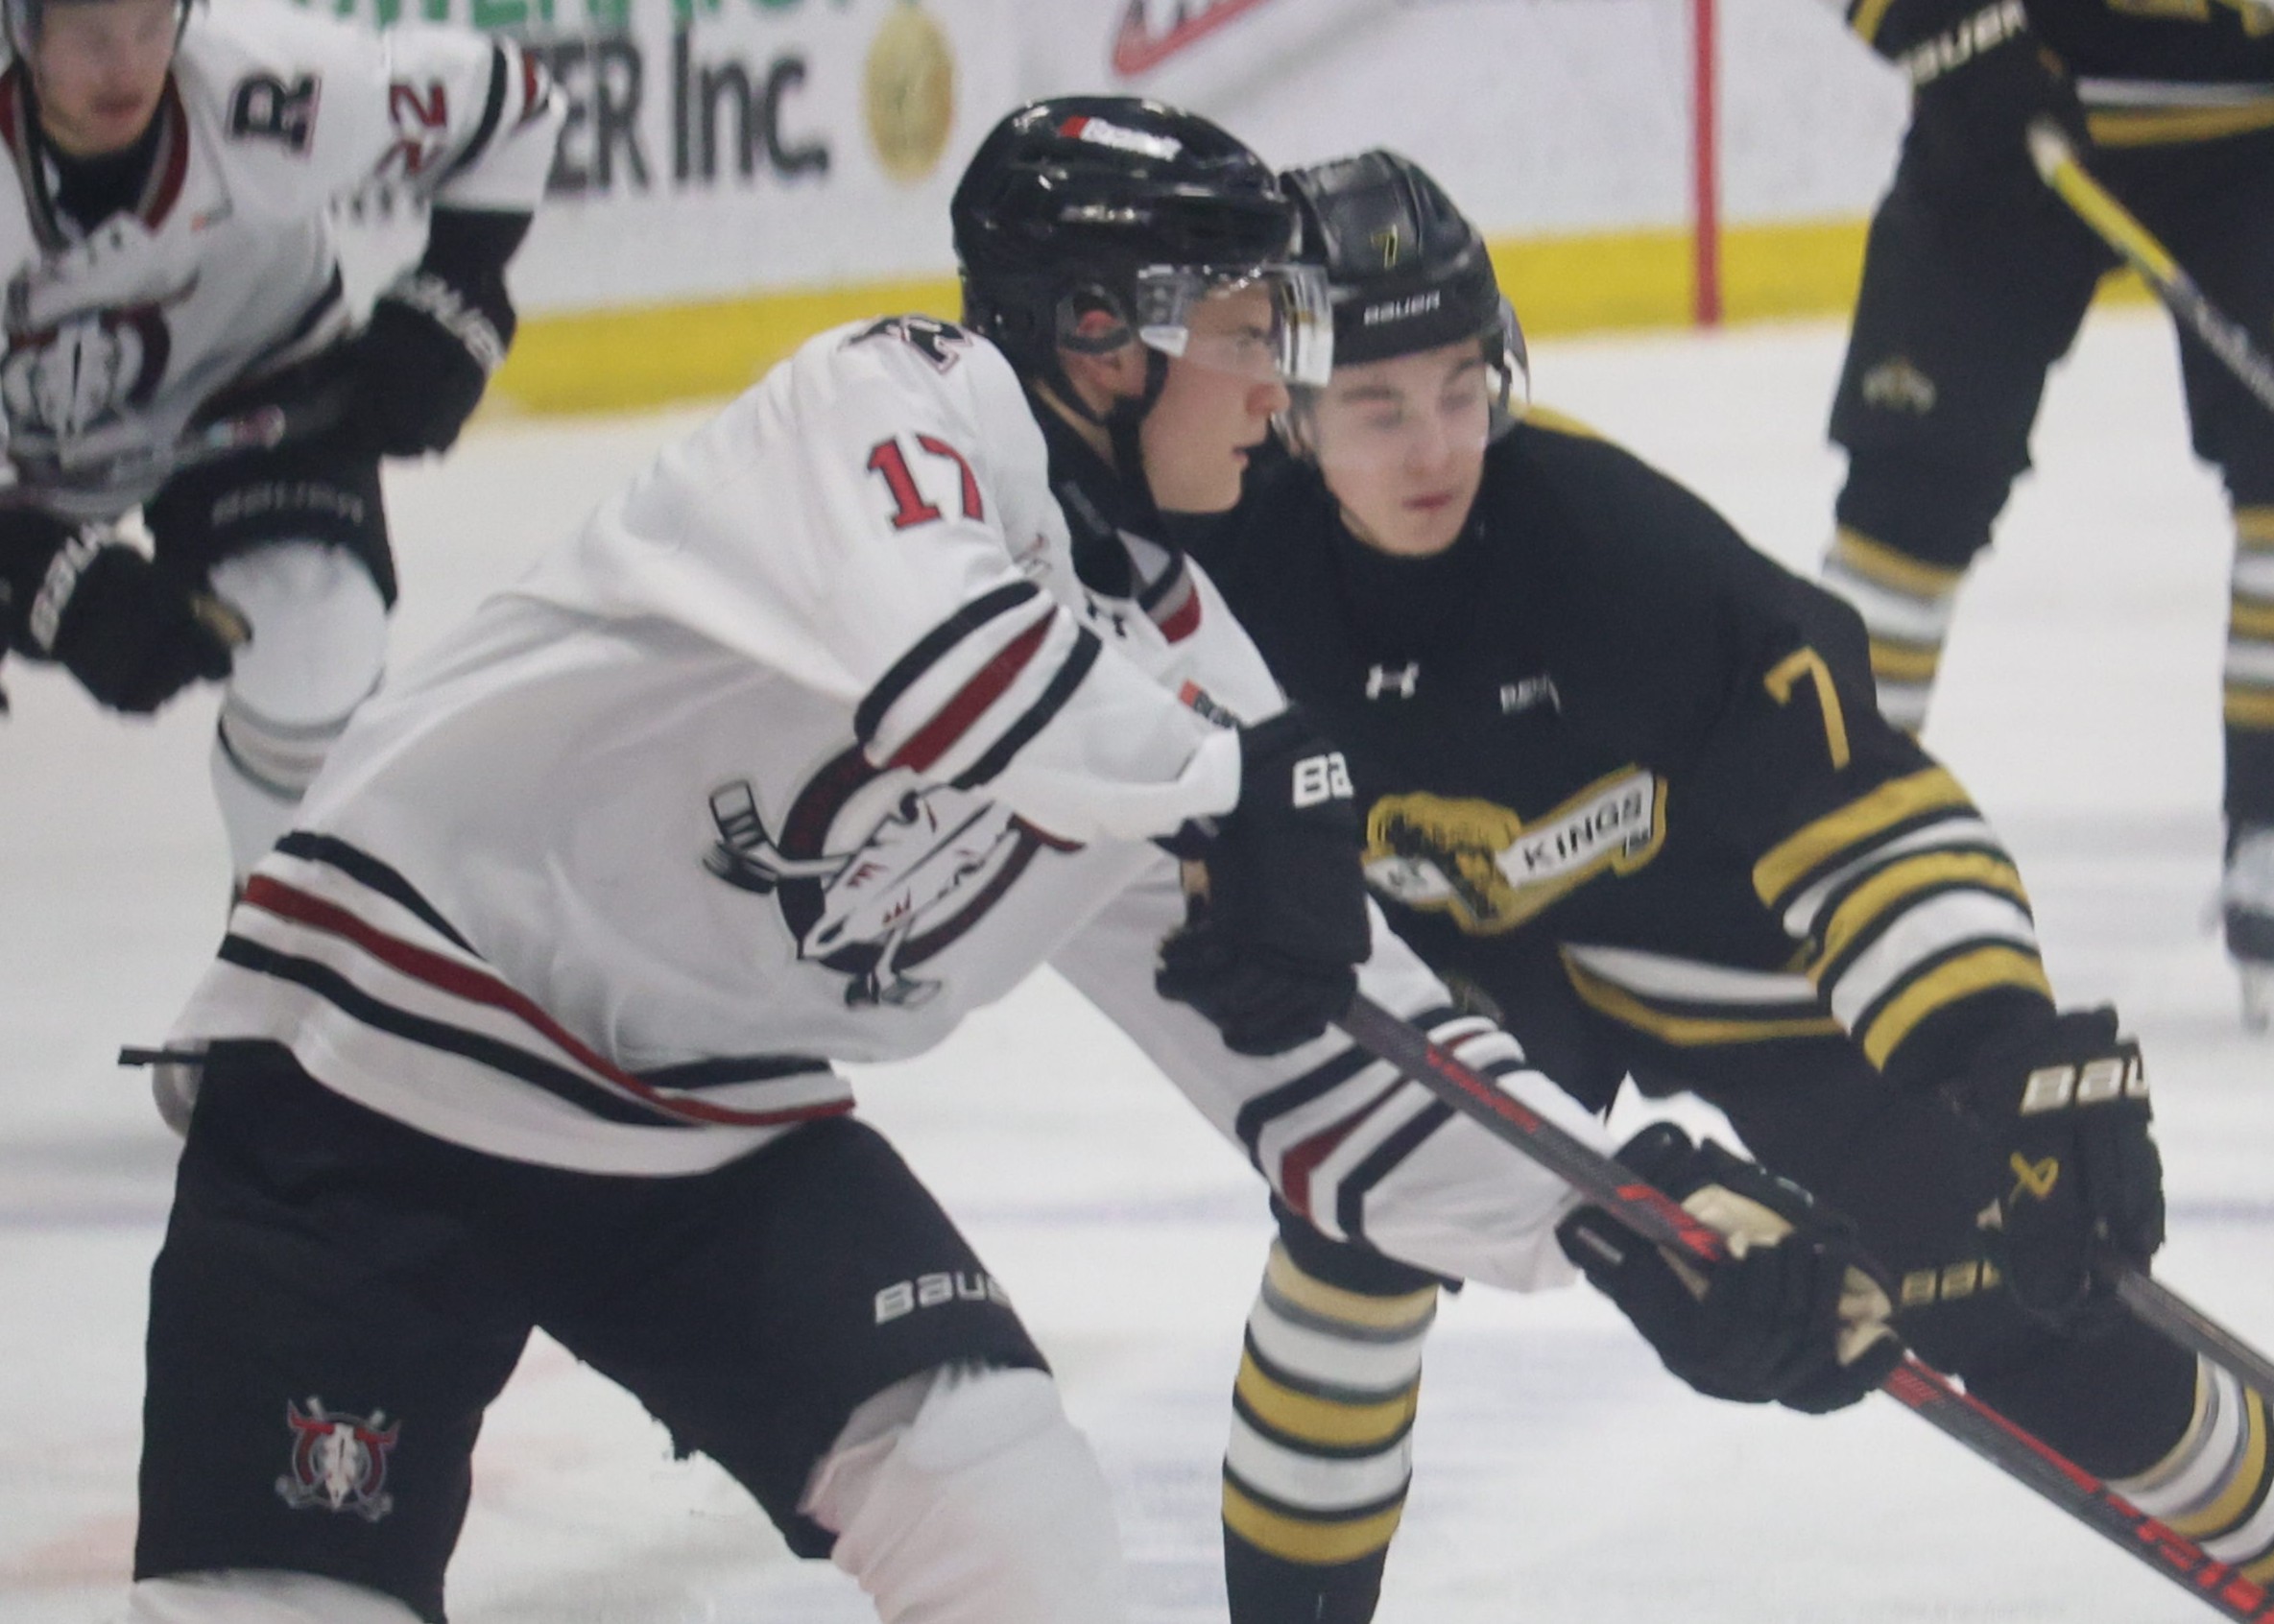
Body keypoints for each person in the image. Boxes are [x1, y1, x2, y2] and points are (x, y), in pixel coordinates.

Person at [121, 100, 1894, 1624]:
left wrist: (1621, 1216)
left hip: (699, 1135)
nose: (1279, 382)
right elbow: (953, 666)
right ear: (1100, 334)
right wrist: (1228, 784)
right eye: (1251, 326)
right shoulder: (886, 408)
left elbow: (1333, 1046)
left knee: (1007, 1506)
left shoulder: (1178, 668)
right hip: (370, 1062)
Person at [1184, 151, 2238, 1624]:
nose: (1435, 447)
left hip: (1718, 940)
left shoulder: (1610, 548)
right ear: (1288, 410)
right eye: (1377, 406)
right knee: (1350, 1239)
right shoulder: (1218, 563)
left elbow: (1854, 799)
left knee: (2027, 1312)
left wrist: (1997, 1047)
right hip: (1463, 971)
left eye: (1460, 389)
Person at [0, 0, 559, 880]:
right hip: (17, 465)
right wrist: (36, 571)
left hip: (254, 382)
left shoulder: (268, 86)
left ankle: (280, 935)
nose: (128, 66)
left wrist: (456, 304)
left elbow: (511, 107)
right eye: (92, 37)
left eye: (150, 25)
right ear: (22, 31)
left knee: (316, 639)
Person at [1810, 0, 2274, 1027]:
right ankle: (1814, 834)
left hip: (2254, 128)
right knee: (1905, 507)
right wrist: (1947, 27)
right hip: (2012, 102)